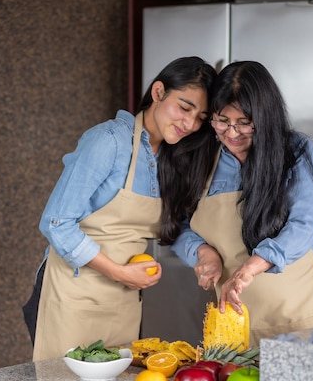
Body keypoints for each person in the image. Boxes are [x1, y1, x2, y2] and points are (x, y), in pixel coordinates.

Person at [23, 56, 217, 361]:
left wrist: (203, 253)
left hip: (122, 303)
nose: (190, 124)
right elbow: (56, 222)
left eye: (200, 118)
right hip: (71, 298)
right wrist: (118, 272)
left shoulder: (171, 158)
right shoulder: (108, 142)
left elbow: (174, 227)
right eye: (184, 107)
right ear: (158, 92)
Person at [171, 61, 313, 346]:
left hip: (298, 319)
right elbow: (178, 225)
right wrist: (202, 252)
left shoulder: (296, 151)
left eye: (244, 123)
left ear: (265, 117)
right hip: (231, 324)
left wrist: (251, 267)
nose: (232, 134)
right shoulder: (200, 158)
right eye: (222, 121)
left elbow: (305, 225)